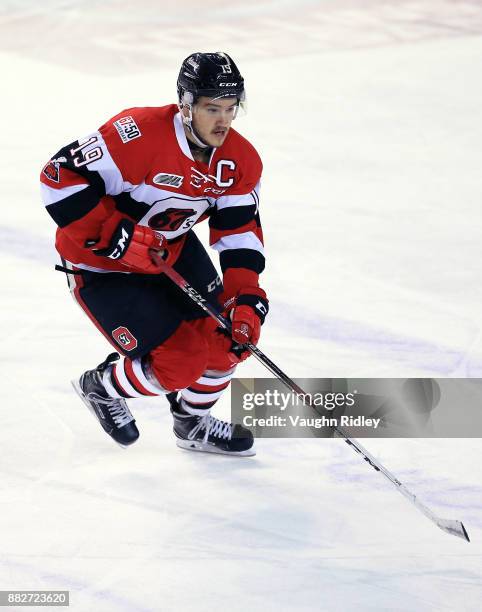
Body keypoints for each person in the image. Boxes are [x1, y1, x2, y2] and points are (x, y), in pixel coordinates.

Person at [40, 52, 268, 457]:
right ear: (186, 104)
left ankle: (191, 422)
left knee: (229, 342)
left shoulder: (240, 160)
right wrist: (114, 236)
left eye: (232, 109)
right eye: (212, 108)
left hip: (169, 251)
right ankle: (102, 386)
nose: (223, 122)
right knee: (180, 361)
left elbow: (239, 233)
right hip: (102, 265)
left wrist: (245, 297)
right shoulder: (139, 134)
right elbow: (59, 178)